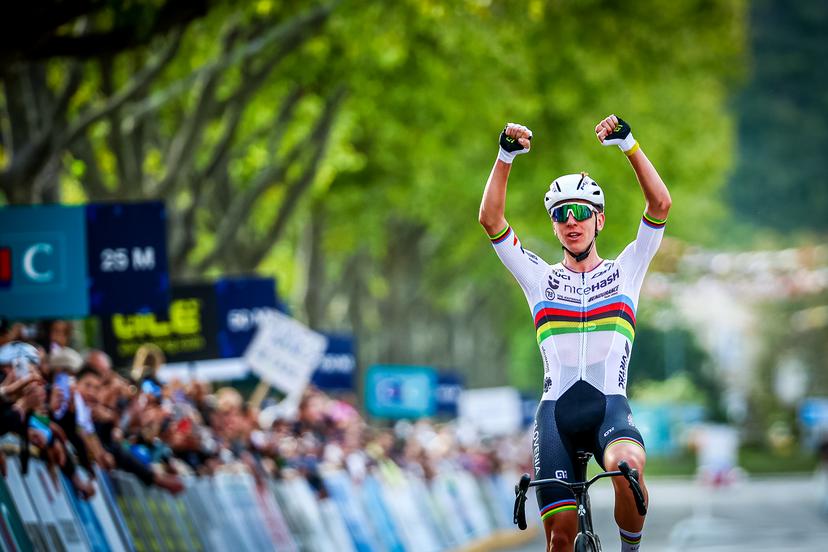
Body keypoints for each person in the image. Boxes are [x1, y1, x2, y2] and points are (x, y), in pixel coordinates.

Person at [479, 115, 671, 551]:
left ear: (599, 220)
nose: (572, 221)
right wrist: (505, 155)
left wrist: (629, 145)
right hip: (556, 418)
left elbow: (660, 204)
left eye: (581, 212)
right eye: (561, 214)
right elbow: (491, 219)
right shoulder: (539, 279)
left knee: (628, 467)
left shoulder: (626, 270)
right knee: (560, 541)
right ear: (553, 226)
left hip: (609, 410)